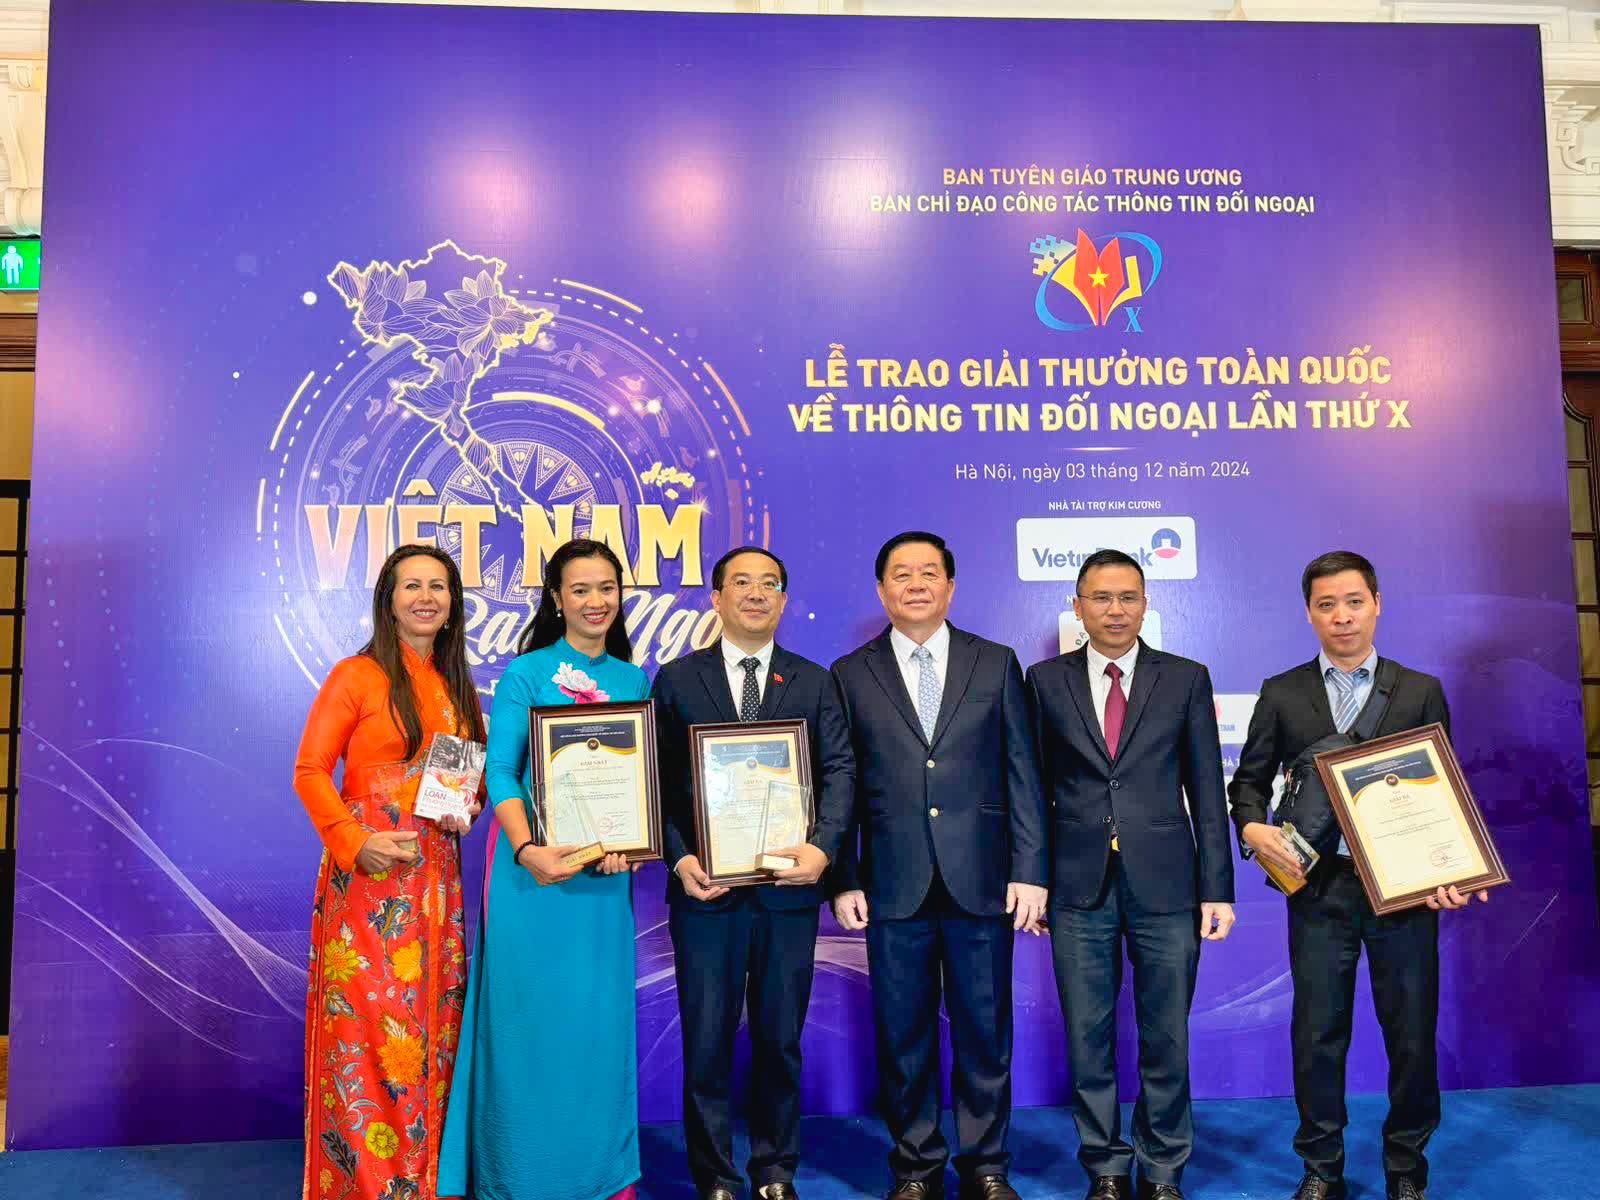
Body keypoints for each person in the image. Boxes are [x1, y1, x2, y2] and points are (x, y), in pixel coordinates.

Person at [1228, 551, 1488, 1200]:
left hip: (1404, 891)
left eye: (1353, 602)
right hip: (1319, 892)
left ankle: (1406, 1169)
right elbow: (1249, 785)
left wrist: (1451, 868)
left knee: (1410, 1035)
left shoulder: (1420, 688)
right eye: (1326, 605)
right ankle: (1321, 1170)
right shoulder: (1283, 693)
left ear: (1377, 603)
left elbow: (1443, 796)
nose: (1341, 617)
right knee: (1317, 1036)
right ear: (1309, 613)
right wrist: (1252, 827)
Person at [830, 531, 1048, 1200]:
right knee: (903, 1037)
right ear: (882, 590)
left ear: (950, 586)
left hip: (982, 881)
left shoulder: (996, 663)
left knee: (986, 1032)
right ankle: (917, 1166)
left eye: (929, 573)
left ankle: (986, 1166)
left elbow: (1022, 774)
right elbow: (840, 783)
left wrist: (1030, 869)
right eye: (902, 574)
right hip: (891, 886)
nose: (916, 584)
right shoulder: (850, 673)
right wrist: (843, 876)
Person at [437, 538, 649, 1200]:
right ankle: (519, 1177)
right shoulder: (528, 674)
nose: (595, 601)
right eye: (580, 589)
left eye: (607, 587)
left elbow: (638, 788)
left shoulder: (633, 680)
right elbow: (500, 770)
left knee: (596, 1026)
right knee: (529, 1027)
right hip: (533, 878)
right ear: (556, 599)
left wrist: (629, 845)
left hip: (602, 884)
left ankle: (599, 1177)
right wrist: (529, 848)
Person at [1025, 549, 1235, 1200]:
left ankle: (1164, 1168)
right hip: (1075, 884)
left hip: (1168, 882)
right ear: (1078, 604)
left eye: (1128, 597)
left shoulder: (1185, 678)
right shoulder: (1043, 681)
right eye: (1101, 597)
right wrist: (1031, 878)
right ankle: (1107, 1169)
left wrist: (1217, 888)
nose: (1115, 610)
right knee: (1087, 1038)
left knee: (1166, 1034)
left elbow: (1206, 787)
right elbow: (1030, 790)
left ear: (1145, 604)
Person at [651, 546, 855, 1200]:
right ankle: (714, 1176)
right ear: (716, 598)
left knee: (779, 1041)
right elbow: (654, 785)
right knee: (706, 1043)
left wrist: (822, 849)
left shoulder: (814, 681)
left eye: (771, 583)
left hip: (788, 896)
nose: (756, 594)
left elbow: (840, 772)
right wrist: (681, 857)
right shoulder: (678, 680)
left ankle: (774, 1172)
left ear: (784, 601)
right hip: (704, 892)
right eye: (742, 583)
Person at [295, 544, 486, 1200]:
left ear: (453, 602)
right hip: (369, 884)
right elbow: (310, 772)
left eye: (439, 586)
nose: (426, 597)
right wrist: (355, 841)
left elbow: (468, 788)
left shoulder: (458, 683)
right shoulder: (356, 674)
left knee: (432, 1027)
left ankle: (426, 1177)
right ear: (388, 598)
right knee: (369, 1028)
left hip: (435, 888)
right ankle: (367, 1184)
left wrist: (466, 807)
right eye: (412, 586)